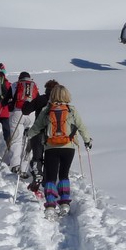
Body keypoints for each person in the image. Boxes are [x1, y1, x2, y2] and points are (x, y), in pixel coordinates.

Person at [26, 85, 92, 216]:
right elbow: (81, 126)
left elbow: (37, 127)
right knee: (63, 174)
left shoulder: (46, 110)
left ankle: (50, 205)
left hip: (51, 147)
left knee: (50, 176)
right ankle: (64, 203)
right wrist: (87, 140)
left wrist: (28, 134)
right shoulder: (71, 110)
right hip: (68, 147)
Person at [5, 71, 40, 172]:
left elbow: (6, 100)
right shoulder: (34, 85)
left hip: (18, 114)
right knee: (27, 141)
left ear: (19, 78)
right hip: (31, 115)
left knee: (16, 140)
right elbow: (37, 100)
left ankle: (15, 165)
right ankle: (24, 168)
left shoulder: (15, 85)